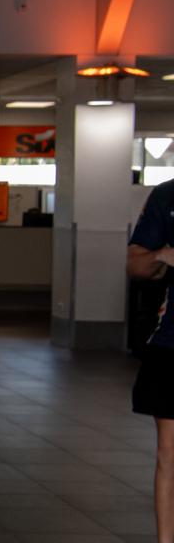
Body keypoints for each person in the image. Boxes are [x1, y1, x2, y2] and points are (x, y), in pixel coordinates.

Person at [126, 179, 174, 543]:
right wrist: (161, 256)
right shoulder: (166, 196)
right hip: (172, 344)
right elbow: (136, 264)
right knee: (168, 455)